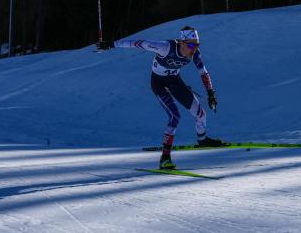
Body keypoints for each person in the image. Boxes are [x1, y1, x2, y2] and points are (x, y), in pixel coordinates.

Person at [96, 26, 223, 170]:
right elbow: (138, 43)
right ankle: (165, 158)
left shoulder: (194, 53)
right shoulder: (164, 47)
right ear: (182, 42)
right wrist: (112, 44)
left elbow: (203, 72)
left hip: (175, 81)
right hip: (159, 83)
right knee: (175, 116)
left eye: (197, 44)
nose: (194, 48)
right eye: (191, 44)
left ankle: (202, 140)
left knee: (201, 114)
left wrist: (211, 93)